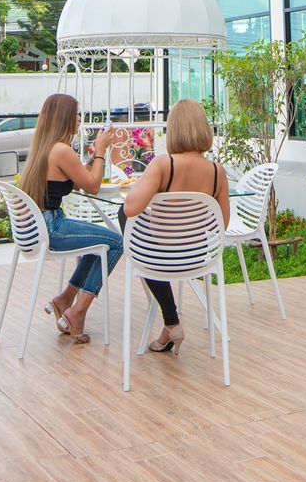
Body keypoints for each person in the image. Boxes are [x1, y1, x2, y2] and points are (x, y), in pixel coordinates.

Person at [119, 99, 230, 357]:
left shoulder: (162, 164)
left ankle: (171, 321)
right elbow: (221, 224)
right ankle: (170, 325)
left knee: (127, 226)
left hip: (159, 258)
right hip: (197, 258)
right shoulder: (217, 172)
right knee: (143, 242)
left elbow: (130, 208)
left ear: (174, 130)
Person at [20, 93, 125, 343]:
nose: (79, 118)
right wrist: (100, 151)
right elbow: (93, 186)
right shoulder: (61, 150)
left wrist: (92, 158)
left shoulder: (45, 147)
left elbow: (78, 181)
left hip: (39, 226)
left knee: (97, 245)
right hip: (52, 227)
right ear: (64, 118)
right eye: (75, 113)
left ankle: (65, 298)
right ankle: (77, 312)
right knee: (117, 242)